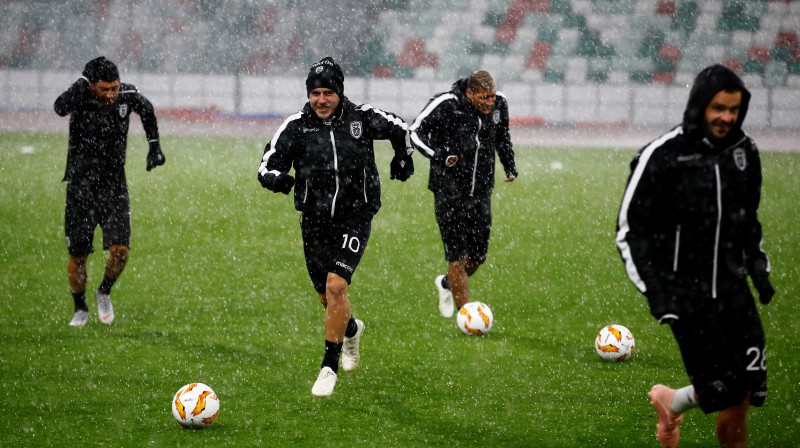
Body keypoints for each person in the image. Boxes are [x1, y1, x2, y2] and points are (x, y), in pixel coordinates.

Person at [616, 64, 775, 448]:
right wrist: (660, 294)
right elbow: (629, 232)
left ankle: (671, 402)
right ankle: (674, 404)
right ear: (700, 104)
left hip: (734, 289)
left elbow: (747, 218)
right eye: (719, 108)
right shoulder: (664, 154)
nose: (727, 117)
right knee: (730, 388)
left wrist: (757, 265)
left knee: (746, 390)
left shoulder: (745, 152)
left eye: (734, 110)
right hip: (687, 295)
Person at [257, 57, 414, 397]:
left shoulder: (362, 118)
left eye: (328, 92)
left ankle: (328, 366)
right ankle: (351, 328)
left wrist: (402, 157)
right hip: (314, 221)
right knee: (325, 296)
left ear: (340, 93)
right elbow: (267, 163)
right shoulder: (296, 127)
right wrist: (275, 178)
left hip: (355, 215)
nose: (321, 100)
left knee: (337, 285)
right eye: (315, 93)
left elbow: (401, 129)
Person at [54, 56, 166, 327]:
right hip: (80, 186)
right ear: (92, 84)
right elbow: (59, 107)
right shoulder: (80, 95)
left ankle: (104, 290)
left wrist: (154, 146)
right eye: (104, 88)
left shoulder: (126, 95)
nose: (110, 94)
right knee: (79, 254)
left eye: (114, 88)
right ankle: (80, 309)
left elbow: (148, 110)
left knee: (121, 250)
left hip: (114, 185)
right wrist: (80, 84)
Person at [409, 70, 517, 319]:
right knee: (457, 255)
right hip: (449, 192)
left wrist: (509, 165)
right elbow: (415, 131)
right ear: (470, 93)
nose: (490, 102)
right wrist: (440, 154)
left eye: (491, 96)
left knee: (477, 257)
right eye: (484, 97)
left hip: (481, 191)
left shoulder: (500, 103)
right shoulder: (447, 104)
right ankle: (466, 317)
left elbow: (502, 136)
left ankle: (447, 283)